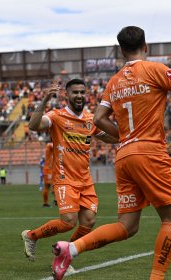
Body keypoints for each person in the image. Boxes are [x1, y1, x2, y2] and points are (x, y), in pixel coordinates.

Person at [51, 26, 171, 280]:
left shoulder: (114, 81)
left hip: (124, 156)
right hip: (150, 151)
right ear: (146, 47)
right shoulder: (154, 69)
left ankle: (72, 248)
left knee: (127, 226)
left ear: (121, 51)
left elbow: (98, 118)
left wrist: (124, 136)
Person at [21, 78, 119, 262]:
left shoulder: (91, 119)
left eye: (82, 92)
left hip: (85, 180)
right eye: (75, 92)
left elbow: (110, 138)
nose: (79, 96)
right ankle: (31, 236)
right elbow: (33, 126)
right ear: (67, 95)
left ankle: (64, 257)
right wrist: (44, 101)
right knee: (68, 221)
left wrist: (127, 133)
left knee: (89, 221)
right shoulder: (56, 116)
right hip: (64, 178)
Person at [42, 141, 54, 207]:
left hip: (50, 169)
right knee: (48, 186)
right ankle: (45, 203)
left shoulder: (49, 146)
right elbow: (54, 147)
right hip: (48, 169)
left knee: (54, 185)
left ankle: (55, 201)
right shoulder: (49, 144)